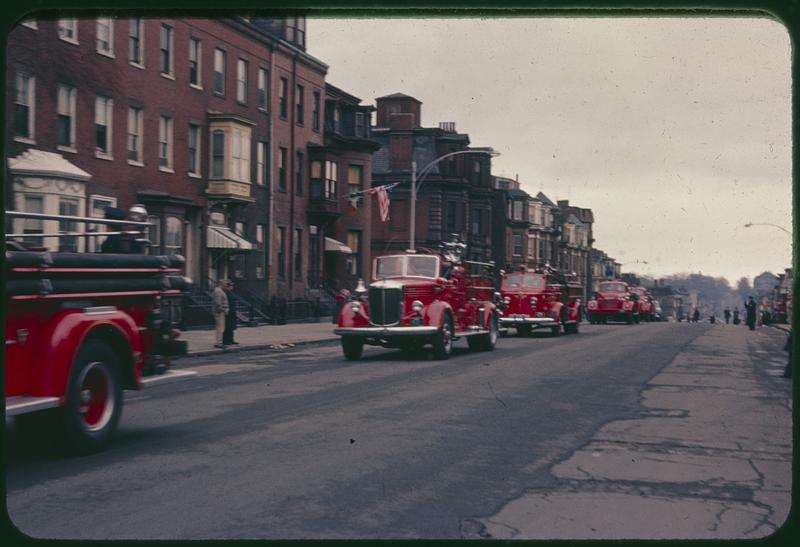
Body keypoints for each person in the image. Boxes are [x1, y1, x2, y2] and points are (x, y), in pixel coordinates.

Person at [212, 279, 229, 348]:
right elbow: (218, 303)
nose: (226, 286)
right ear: (222, 284)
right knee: (220, 328)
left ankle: (219, 342)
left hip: (221, 311)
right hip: (220, 312)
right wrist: (223, 310)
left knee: (221, 328)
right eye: (225, 285)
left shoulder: (220, 291)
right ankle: (219, 343)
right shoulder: (218, 291)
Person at [223, 280, 238, 346]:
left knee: (231, 327)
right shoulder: (226, 293)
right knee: (228, 327)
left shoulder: (230, 293)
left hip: (232, 312)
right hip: (229, 313)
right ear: (228, 286)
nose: (232, 287)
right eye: (231, 286)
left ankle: (231, 340)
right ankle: (226, 341)